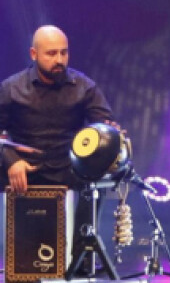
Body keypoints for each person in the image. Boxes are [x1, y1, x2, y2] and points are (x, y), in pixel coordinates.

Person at [0, 25, 117, 269]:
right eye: (51, 53)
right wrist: (12, 160)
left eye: (64, 52)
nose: (59, 60)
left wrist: (109, 134)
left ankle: (81, 258)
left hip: (67, 165)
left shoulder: (84, 86)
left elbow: (103, 126)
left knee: (94, 181)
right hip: (25, 166)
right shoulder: (11, 88)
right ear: (34, 54)